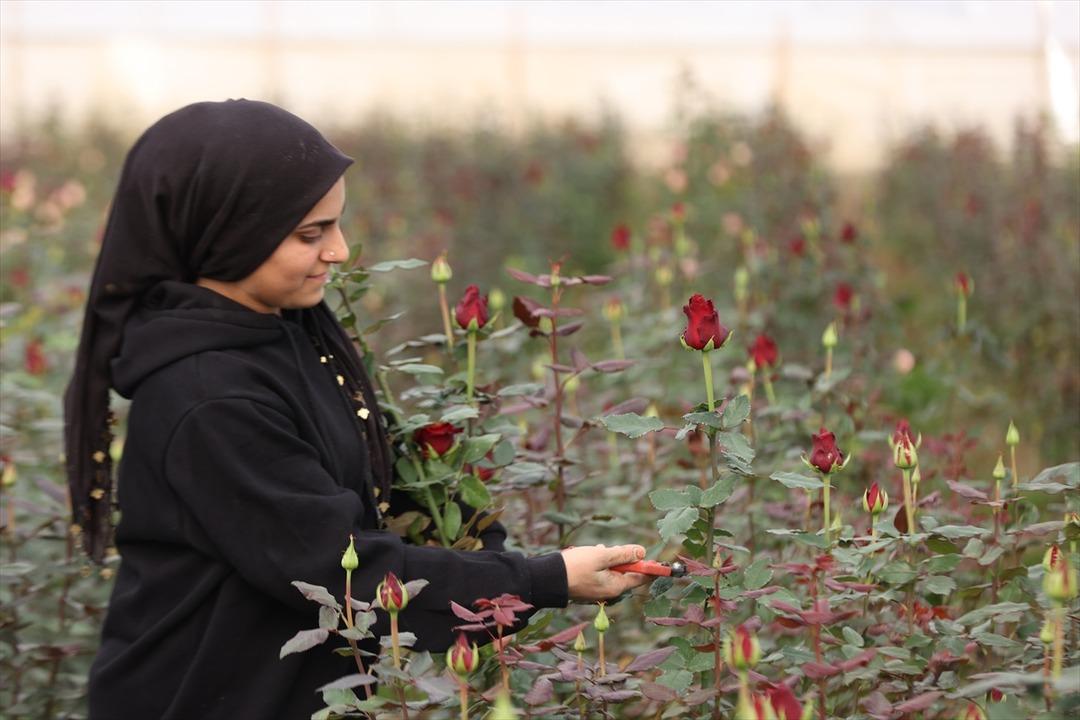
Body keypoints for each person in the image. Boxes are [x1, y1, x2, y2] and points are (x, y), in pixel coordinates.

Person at [64, 99, 650, 720]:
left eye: (336, 225)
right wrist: (544, 579)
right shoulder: (209, 396)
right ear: (225, 232)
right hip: (204, 694)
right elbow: (339, 566)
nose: (339, 251)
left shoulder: (287, 330)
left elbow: (375, 489)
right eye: (309, 234)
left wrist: (484, 550)